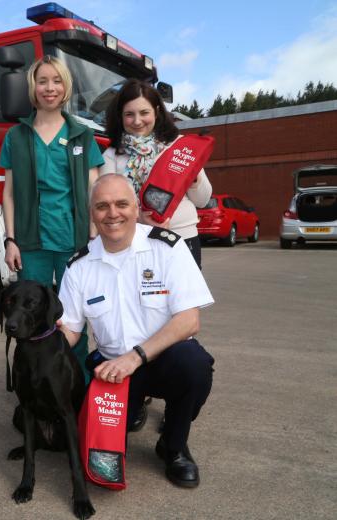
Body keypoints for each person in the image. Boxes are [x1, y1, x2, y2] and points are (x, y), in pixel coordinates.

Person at [59, 174, 215, 488]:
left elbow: (189, 321)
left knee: (194, 364)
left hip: (163, 359)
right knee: (103, 468)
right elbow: (71, 329)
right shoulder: (79, 265)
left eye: (121, 204)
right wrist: (40, 343)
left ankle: (173, 445)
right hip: (113, 373)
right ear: (92, 213)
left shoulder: (167, 248)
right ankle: (129, 417)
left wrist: (136, 357)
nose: (112, 213)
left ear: (135, 208)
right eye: (102, 206)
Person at [0, 55, 103, 379]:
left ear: (65, 87)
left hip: (73, 239)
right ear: (33, 87)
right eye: (42, 81)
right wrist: (11, 240)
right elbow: (10, 194)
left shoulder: (81, 135)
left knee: (73, 317)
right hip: (32, 243)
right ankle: (33, 386)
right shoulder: (16, 136)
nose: (49, 88)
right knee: (29, 320)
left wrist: (94, 234)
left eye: (56, 81)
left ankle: (77, 387)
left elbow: (94, 190)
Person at [100, 78, 212, 268]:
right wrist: (138, 218)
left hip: (183, 239)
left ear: (157, 112)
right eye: (129, 114)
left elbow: (202, 200)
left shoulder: (180, 147)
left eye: (144, 112)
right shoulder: (111, 156)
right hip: (136, 242)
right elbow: (105, 206)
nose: (137, 121)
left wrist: (194, 179)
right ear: (120, 116)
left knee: (184, 298)